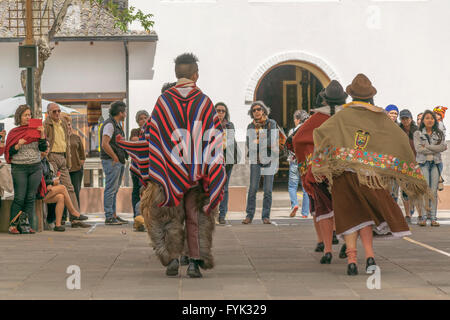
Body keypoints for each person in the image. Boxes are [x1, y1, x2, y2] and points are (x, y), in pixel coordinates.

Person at [117, 53, 226, 278]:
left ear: (176, 74)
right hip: (196, 172)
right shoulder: (204, 102)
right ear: (196, 74)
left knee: (169, 216)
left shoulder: (164, 102)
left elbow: (151, 136)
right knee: (195, 215)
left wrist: (132, 149)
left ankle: (173, 260)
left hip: (168, 173)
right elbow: (215, 138)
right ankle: (195, 262)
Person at [312, 74, 421, 276]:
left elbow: (319, 133)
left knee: (349, 218)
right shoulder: (379, 117)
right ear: (370, 95)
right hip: (369, 176)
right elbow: (399, 138)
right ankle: (370, 257)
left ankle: (352, 260)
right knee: (366, 218)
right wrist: (395, 162)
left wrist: (326, 160)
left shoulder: (341, 116)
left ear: (351, 95)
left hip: (343, 175)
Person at [293, 81, 347, 264]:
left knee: (323, 208)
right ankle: (349, 245)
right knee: (346, 208)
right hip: (344, 169)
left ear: (325, 99)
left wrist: (309, 158)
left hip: (322, 170)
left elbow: (298, 138)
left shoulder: (316, 118)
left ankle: (327, 250)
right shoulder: (349, 116)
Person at [44, 103, 88, 227]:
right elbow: (45, 141)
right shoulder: (46, 124)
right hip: (52, 156)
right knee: (53, 187)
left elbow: (67, 141)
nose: (57, 113)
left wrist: (67, 159)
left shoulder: (63, 122)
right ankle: (53, 219)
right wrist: (47, 158)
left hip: (62, 156)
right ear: (48, 113)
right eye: (54, 111)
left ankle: (75, 216)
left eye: (58, 111)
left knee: (70, 187)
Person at [5, 105, 47, 234]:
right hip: (19, 168)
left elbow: (43, 148)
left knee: (30, 197)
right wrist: (18, 145)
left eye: (29, 115)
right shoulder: (14, 132)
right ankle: (13, 225)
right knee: (19, 197)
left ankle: (26, 225)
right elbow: (9, 151)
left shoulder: (36, 130)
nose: (28, 117)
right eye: (25, 115)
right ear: (19, 117)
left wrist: (42, 135)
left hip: (35, 167)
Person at [243, 101, 281, 225]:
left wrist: (258, 141)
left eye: (258, 109)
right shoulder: (250, 126)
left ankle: (265, 216)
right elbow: (250, 144)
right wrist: (264, 142)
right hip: (255, 159)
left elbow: (273, 140)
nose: (256, 112)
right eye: (254, 110)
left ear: (263, 110)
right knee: (253, 188)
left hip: (270, 159)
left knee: (268, 189)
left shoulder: (272, 123)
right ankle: (249, 215)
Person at [40, 143, 90, 231]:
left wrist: (53, 181)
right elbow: (38, 179)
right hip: (39, 191)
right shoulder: (37, 162)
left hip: (46, 190)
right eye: (45, 147)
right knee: (62, 188)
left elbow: (47, 177)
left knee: (61, 197)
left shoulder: (46, 161)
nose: (47, 149)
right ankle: (73, 212)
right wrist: (51, 182)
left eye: (48, 146)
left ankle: (58, 224)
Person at [414, 110, 447, 227]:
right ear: (423, 120)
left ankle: (433, 218)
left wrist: (427, 146)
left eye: (432, 118)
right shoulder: (417, 133)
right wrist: (435, 148)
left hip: (436, 163)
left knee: (433, 192)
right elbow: (419, 149)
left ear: (435, 120)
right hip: (423, 164)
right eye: (427, 118)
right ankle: (423, 218)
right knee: (424, 190)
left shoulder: (439, 134)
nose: (429, 120)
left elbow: (443, 146)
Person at [100, 101, 129, 225]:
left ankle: (113, 214)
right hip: (111, 161)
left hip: (118, 161)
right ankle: (109, 216)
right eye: (125, 111)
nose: (126, 114)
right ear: (120, 112)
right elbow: (104, 144)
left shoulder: (117, 124)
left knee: (115, 189)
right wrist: (115, 157)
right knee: (111, 189)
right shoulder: (110, 125)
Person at [215, 102, 239, 225]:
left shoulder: (229, 125)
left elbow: (228, 142)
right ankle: (212, 213)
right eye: (218, 110)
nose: (220, 113)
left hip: (227, 161)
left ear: (226, 113)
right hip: (213, 162)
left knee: (224, 188)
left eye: (222, 111)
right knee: (213, 188)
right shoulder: (210, 125)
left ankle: (222, 214)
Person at [287, 110, 310, 218]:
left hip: (294, 161)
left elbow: (288, 146)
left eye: (295, 119)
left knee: (292, 186)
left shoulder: (292, 131)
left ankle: (294, 205)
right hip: (304, 161)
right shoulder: (307, 130)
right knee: (305, 187)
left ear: (297, 119)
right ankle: (305, 213)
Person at [399, 109, 419, 223]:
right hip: (403, 165)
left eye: (407, 118)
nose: (405, 120)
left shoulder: (417, 131)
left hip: (416, 164)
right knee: (405, 191)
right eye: (403, 118)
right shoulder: (398, 131)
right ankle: (407, 215)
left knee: (416, 190)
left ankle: (420, 214)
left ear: (411, 118)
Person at [63, 114, 86, 208]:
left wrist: (80, 163)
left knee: (76, 192)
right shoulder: (60, 139)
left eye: (69, 124)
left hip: (76, 170)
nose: (68, 127)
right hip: (64, 170)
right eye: (65, 125)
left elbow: (82, 154)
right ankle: (63, 216)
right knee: (64, 193)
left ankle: (76, 214)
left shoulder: (76, 137)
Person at [130, 110, 149, 219]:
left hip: (147, 167)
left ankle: (144, 214)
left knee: (145, 189)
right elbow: (134, 140)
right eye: (141, 118)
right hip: (135, 166)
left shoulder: (151, 130)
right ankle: (136, 215)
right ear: (138, 121)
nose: (143, 120)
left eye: (145, 118)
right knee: (136, 190)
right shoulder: (135, 131)